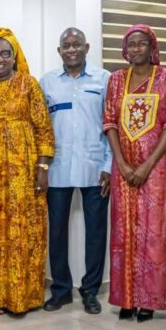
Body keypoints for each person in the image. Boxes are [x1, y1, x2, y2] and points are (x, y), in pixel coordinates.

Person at [0, 28, 54, 316]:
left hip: (24, 170)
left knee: (23, 229)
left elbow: (43, 127)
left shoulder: (29, 84)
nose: (0, 59)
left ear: (15, 56)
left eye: (5, 53)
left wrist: (42, 167)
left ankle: (23, 298)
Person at [104, 24, 166, 323]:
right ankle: (125, 298)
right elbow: (109, 121)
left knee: (153, 233)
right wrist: (122, 163)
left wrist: (147, 165)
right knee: (124, 231)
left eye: (142, 44)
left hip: (157, 167)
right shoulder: (116, 79)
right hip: (123, 166)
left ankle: (149, 300)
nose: (136, 49)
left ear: (152, 47)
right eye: (131, 44)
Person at [39, 28, 110, 315]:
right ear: (59, 51)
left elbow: (112, 126)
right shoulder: (47, 82)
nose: (71, 49)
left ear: (86, 47)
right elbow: (40, 127)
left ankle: (91, 291)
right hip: (57, 168)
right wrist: (41, 166)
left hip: (95, 167)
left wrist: (109, 166)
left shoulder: (104, 79)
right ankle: (61, 290)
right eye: (66, 45)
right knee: (56, 232)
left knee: (95, 232)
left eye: (76, 44)